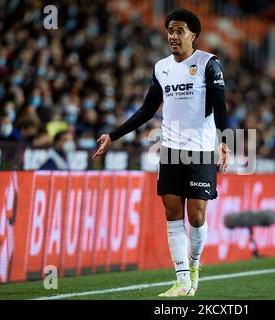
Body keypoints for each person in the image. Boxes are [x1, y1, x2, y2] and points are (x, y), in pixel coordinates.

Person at [93, 8, 230, 297]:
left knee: (196, 216)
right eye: (170, 30)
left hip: (200, 150)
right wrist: (113, 135)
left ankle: (194, 267)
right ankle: (181, 281)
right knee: (171, 212)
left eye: (179, 30)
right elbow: (146, 110)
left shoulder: (208, 63)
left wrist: (224, 140)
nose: (173, 35)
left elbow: (219, 103)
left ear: (193, 34)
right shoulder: (162, 67)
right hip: (170, 150)